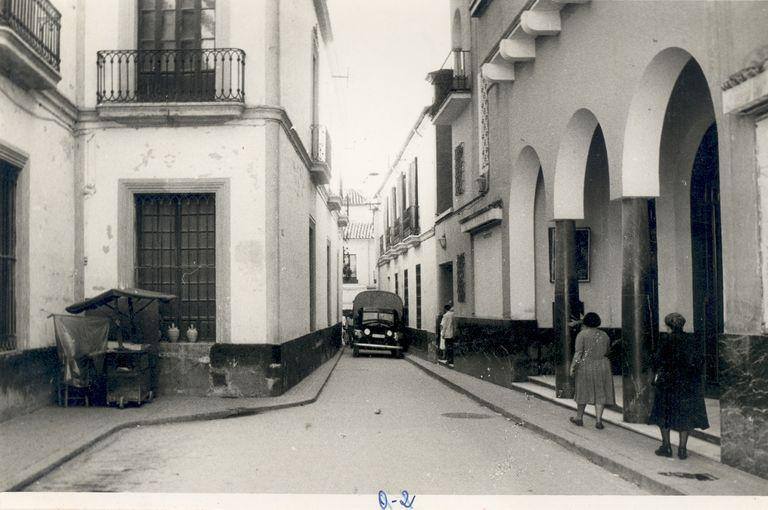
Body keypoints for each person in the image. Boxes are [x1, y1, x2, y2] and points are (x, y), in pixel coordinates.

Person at [647, 313, 709, 460]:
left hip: (668, 382)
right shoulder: (692, 339)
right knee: (684, 415)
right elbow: (700, 361)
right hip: (687, 383)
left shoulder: (665, 340)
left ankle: (666, 446)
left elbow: (656, 360)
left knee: (663, 414)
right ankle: (682, 449)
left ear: (668, 326)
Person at [569, 312, 615, 429]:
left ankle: (579, 418)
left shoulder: (582, 335)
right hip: (603, 365)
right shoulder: (605, 335)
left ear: (585, 322)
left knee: (583, 390)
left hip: (586, 365)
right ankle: (599, 420)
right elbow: (607, 350)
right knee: (600, 391)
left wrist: (573, 367)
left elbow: (578, 353)